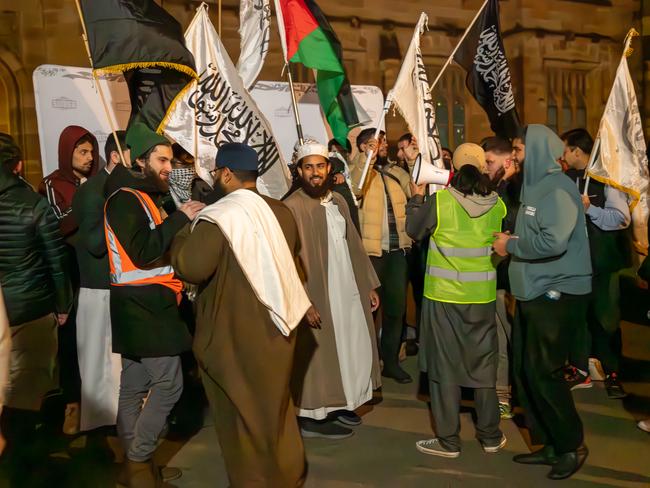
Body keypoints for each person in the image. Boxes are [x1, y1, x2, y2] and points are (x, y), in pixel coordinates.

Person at [171, 143, 309, 487]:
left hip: (235, 337)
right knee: (275, 410)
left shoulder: (220, 217)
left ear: (227, 174)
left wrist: (183, 232)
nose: (215, 178)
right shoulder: (280, 211)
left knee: (240, 416)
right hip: (279, 329)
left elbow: (192, 266)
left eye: (217, 172)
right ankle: (288, 473)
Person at [104, 123, 204, 487]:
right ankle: (139, 459)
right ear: (140, 160)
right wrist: (182, 216)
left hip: (143, 305)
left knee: (134, 387)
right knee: (169, 385)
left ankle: (135, 469)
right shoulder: (125, 199)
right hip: (143, 307)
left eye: (170, 159)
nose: (168, 166)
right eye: (161, 159)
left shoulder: (143, 196)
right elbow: (144, 250)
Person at [493, 124, 592, 480]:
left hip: (557, 295)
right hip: (536, 293)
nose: (515, 155)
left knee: (546, 373)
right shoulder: (537, 187)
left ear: (534, 151)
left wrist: (510, 246)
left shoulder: (556, 189)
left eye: (519, 149)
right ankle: (550, 443)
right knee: (530, 372)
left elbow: (553, 243)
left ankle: (571, 446)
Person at [407, 151, 507, 458]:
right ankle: (490, 436)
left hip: (443, 299)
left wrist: (416, 199)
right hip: (482, 299)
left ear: (453, 168)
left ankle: (449, 441)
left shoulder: (442, 202)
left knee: (443, 369)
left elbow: (414, 230)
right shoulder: (498, 204)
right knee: (483, 367)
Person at [284, 141, 382, 440]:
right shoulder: (291, 208)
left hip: (347, 290)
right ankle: (312, 415)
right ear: (299, 171)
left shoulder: (338, 201)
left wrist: (368, 285)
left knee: (349, 346)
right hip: (316, 294)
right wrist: (303, 301)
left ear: (329, 168)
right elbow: (287, 263)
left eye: (320, 166)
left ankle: (342, 402)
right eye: (308, 167)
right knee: (318, 354)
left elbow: (354, 245)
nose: (315, 173)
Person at [0, 133, 73, 485]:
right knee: (27, 392)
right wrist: (62, 306)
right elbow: (56, 262)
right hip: (30, 310)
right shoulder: (34, 204)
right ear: (17, 166)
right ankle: (21, 467)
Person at [561, 128, 630, 398]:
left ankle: (613, 373)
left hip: (602, 262)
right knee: (578, 317)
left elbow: (620, 218)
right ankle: (580, 369)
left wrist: (590, 209)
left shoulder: (606, 177)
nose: (563, 155)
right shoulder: (567, 178)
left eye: (566, 149)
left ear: (577, 150)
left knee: (606, 318)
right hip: (576, 262)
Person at [71, 131, 130, 433]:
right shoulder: (94, 191)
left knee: (118, 369)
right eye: (135, 156)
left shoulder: (124, 188)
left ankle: (121, 431)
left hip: (120, 287)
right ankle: (102, 441)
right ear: (118, 156)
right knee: (99, 367)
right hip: (98, 290)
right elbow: (94, 243)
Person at [349, 128, 413, 383]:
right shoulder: (360, 171)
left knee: (396, 310)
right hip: (371, 254)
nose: (384, 144)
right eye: (377, 142)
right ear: (365, 146)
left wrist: (411, 161)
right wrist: (367, 159)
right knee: (368, 311)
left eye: (385, 141)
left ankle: (391, 361)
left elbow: (417, 190)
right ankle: (366, 364)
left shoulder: (396, 173)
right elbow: (356, 185)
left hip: (397, 252)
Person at [482, 136, 520, 419]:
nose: (485, 167)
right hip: (497, 277)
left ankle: (519, 393)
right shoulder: (492, 189)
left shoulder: (521, 191)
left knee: (515, 339)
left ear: (507, 161)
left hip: (517, 279)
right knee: (498, 339)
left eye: (490, 162)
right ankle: (502, 394)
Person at [327, 138, 360, 231]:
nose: (336, 155)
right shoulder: (330, 176)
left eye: (341, 151)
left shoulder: (356, 169)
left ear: (348, 153)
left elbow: (358, 188)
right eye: (333, 152)